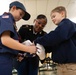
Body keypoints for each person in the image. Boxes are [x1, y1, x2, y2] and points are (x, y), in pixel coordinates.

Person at [34, 6, 76, 75]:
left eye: (54, 16)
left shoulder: (67, 24)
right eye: (51, 18)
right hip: (61, 66)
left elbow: (56, 36)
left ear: (62, 13)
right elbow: (54, 44)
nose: (52, 19)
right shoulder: (62, 32)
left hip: (70, 66)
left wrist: (37, 41)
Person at [0, 1, 36, 75]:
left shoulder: (11, 23)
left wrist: (17, 53)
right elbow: (5, 40)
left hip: (8, 59)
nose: (21, 17)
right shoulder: (6, 18)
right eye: (20, 14)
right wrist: (28, 48)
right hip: (3, 59)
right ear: (13, 8)